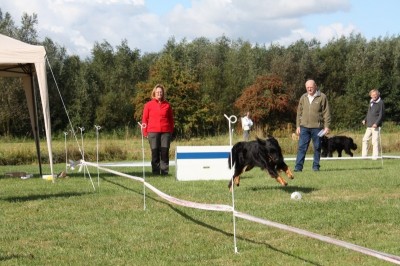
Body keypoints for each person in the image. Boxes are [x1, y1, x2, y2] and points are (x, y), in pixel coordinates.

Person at [294, 79, 331, 172]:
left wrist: (326, 126)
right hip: (304, 127)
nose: (309, 89)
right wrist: (298, 126)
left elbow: (326, 113)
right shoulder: (303, 97)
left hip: (317, 128)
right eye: (307, 88)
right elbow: (299, 112)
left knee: (317, 147)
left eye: (311, 87)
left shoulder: (322, 97)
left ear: (315, 86)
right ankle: (298, 168)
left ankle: (316, 167)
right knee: (302, 147)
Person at [142, 84, 174, 175]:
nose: (159, 93)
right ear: (154, 93)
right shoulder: (148, 105)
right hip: (152, 132)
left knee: (164, 152)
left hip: (165, 132)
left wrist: (171, 131)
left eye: (161, 92)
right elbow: (144, 119)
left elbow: (171, 119)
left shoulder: (167, 105)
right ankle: (155, 172)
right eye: (157, 92)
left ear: (163, 93)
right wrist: (144, 132)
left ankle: (164, 171)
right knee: (155, 152)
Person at [361, 89, 384, 159]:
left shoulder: (381, 102)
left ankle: (375, 156)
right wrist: (365, 119)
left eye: (375, 94)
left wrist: (376, 123)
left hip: (375, 126)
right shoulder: (371, 102)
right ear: (370, 95)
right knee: (364, 139)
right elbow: (369, 113)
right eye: (372, 95)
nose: (374, 96)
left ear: (378, 94)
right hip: (369, 125)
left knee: (374, 141)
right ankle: (364, 156)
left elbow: (381, 115)